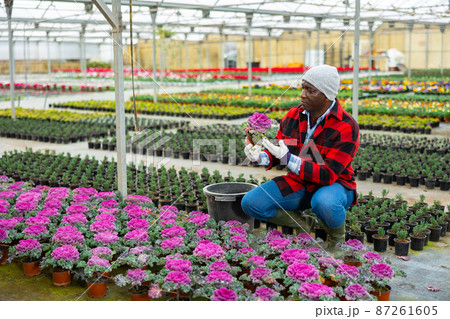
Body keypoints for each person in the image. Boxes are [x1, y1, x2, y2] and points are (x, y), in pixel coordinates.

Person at [241, 64, 359, 255]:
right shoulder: (294, 116)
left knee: (324, 203)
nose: (302, 95)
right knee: (251, 203)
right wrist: (260, 157)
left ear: (327, 95)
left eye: (310, 90)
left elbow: (328, 174)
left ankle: (336, 240)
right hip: (299, 181)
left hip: (336, 185)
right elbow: (279, 153)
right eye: (302, 88)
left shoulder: (346, 126)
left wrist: (289, 159)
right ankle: (305, 223)